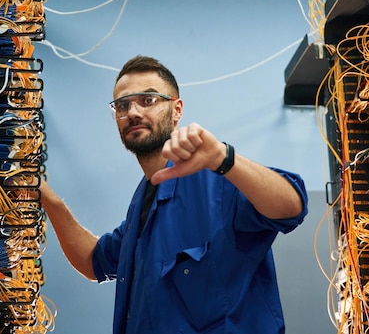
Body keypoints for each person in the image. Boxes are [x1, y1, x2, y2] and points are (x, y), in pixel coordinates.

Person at [39, 55, 308, 334]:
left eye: (148, 100)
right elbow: (93, 261)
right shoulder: (141, 207)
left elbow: (292, 206)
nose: (133, 112)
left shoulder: (215, 181)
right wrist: (47, 198)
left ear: (177, 109)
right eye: (123, 105)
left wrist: (224, 158)